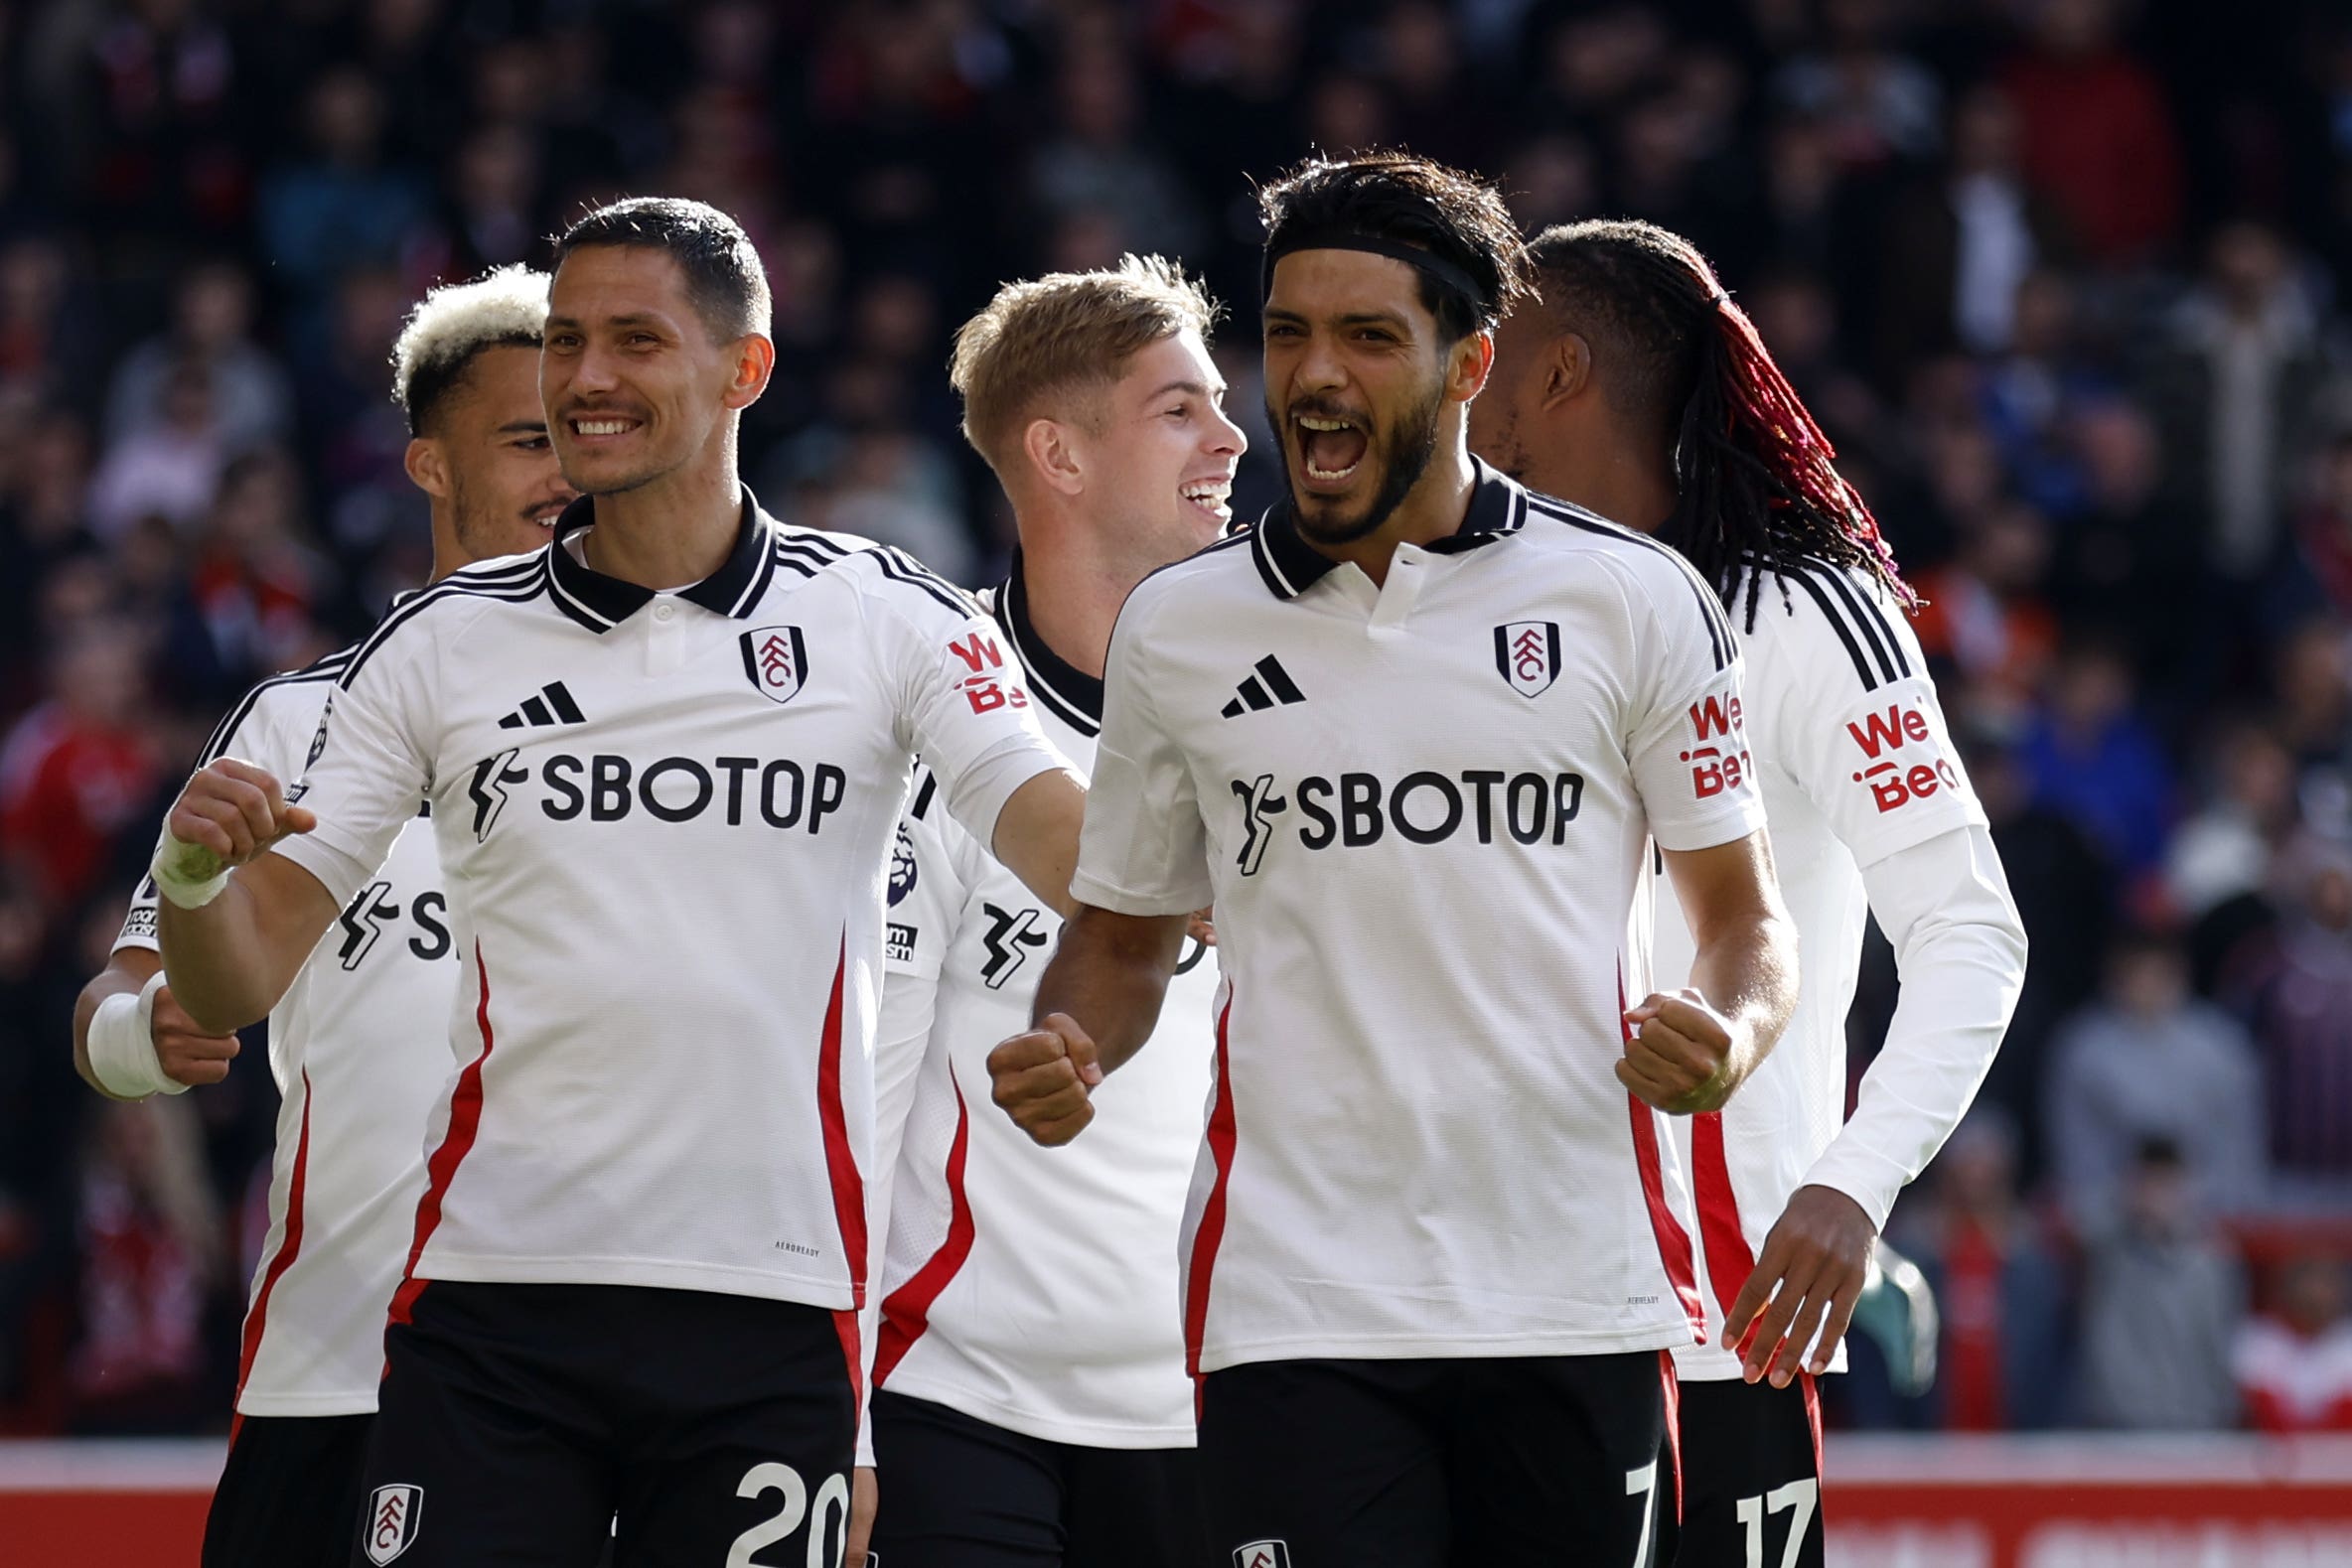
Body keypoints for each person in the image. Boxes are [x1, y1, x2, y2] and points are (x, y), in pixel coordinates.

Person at [147, 198, 1085, 1568]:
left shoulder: (885, 616)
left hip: (772, 1308)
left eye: (636, 341)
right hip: (490, 1309)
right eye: (568, 343)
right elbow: (240, 973)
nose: (586, 379)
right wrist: (184, 877)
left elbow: (1069, 840)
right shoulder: (439, 648)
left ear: (743, 371)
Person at [988, 152, 1799, 1565]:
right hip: (1297, 1310)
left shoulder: (1628, 601)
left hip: (1574, 1294)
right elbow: (1119, 942)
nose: (1313, 374)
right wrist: (1073, 1045)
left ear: (1471, 361)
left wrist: (1728, 1030)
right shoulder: (1181, 631)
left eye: (1368, 337)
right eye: (1290, 333)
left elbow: (1745, 922)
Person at [1469, 216, 2028, 1567]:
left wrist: (1853, 1186)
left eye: (1488, 345)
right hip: (1478, 1303)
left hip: (1720, 1324)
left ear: (1560, 371)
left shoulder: (1800, 613)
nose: (1456, 373)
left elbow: (1969, 930)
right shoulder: (1454, 603)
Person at [71, 264, 574, 1567]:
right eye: (527, 437)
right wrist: (148, 1034)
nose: (565, 468)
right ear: (427, 464)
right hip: (335, 1368)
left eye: (581, 434)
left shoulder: (691, 745)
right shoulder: (298, 727)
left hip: (584, 1378)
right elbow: (116, 1007)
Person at [863, 255, 1243, 1566]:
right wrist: (839, 1409)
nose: (1232, 435)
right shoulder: (933, 720)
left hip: (1220, 1401)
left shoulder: (1295, 707)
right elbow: (869, 1077)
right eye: (1180, 408)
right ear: (1059, 456)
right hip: (956, 1401)